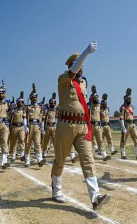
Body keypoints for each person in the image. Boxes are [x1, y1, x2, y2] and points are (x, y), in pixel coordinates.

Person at [51, 41, 110, 210]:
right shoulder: (63, 79)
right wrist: (86, 52)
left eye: (83, 65)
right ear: (72, 65)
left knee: (88, 159)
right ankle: (57, 189)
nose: (81, 68)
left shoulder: (83, 82)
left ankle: (95, 196)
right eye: (79, 64)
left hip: (82, 126)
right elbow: (72, 71)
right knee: (60, 159)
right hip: (65, 125)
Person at [119, 88, 137, 160]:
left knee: (136, 138)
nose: (130, 100)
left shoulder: (132, 107)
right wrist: (123, 127)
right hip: (126, 124)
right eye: (129, 99)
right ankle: (123, 153)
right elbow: (121, 118)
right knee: (124, 139)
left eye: (130, 98)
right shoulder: (123, 107)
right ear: (125, 99)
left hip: (132, 124)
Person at [24, 83, 46, 167]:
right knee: (28, 144)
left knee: (37, 143)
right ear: (30, 98)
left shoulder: (40, 107)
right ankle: (27, 160)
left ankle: (39, 160)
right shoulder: (28, 107)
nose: (34, 99)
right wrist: (25, 126)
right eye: (33, 97)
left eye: (36, 97)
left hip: (37, 126)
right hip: (30, 125)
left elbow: (41, 118)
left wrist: (42, 127)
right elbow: (25, 117)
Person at [89, 85, 111, 161]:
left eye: (97, 97)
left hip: (98, 126)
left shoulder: (99, 106)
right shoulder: (89, 106)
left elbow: (104, 104)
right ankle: (88, 155)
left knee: (100, 141)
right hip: (91, 125)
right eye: (95, 98)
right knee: (89, 141)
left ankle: (104, 155)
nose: (96, 99)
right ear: (92, 98)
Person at [9, 92, 27, 162]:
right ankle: (13, 155)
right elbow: (10, 118)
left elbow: (25, 118)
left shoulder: (23, 110)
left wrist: (25, 127)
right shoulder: (13, 110)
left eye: (21, 102)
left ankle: (22, 155)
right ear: (17, 103)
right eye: (19, 102)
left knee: (22, 140)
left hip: (21, 127)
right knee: (13, 142)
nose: (20, 103)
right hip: (14, 127)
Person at [42, 92, 58, 158]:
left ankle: (57, 153)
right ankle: (44, 152)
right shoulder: (47, 110)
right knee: (46, 141)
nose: (52, 104)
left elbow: (57, 119)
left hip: (54, 127)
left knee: (55, 141)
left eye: (53, 103)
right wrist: (43, 128)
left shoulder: (56, 110)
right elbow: (44, 119)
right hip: (48, 126)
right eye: (51, 103)